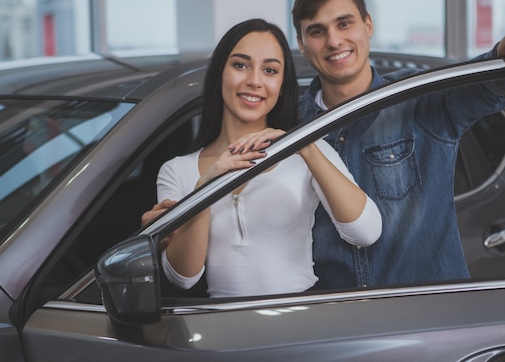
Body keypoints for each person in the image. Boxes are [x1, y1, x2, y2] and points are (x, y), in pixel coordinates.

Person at [144, 0, 505, 291]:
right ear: (303, 46)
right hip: (333, 327)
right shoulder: (288, 126)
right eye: (317, 31)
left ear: (368, 25)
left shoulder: (417, 97)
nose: (334, 40)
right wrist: (176, 223)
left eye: (345, 23)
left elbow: (489, 79)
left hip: (423, 319)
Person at [155, 18, 382, 298]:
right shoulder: (176, 170)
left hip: (298, 321)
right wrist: (206, 188)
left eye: (270, 70)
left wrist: (303, 146)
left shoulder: (310, 150)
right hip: (220, 329)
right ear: (219, 74)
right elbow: (182, 277)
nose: (254, 81)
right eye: (240, 65)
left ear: (282, 86)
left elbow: (365, 233)